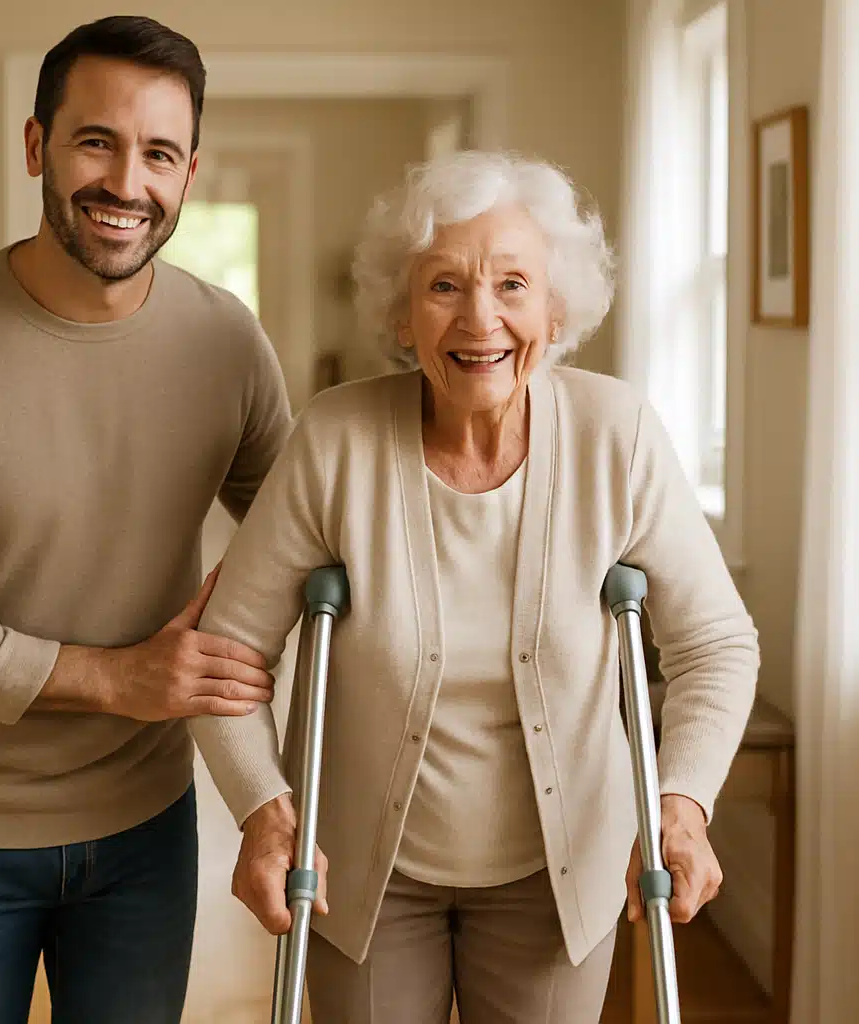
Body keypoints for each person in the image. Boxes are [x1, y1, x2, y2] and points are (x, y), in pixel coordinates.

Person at [188, 149, 760, 1023]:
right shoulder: (336, 441)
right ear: (403, 311)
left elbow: (715, 642)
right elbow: (226, 657)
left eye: (513, 285)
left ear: (555, 306)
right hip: (364, 878)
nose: (479, 318)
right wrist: (266, 814)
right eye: (445, 286)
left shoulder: (619, 437)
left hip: (560, 875)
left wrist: (681, 803)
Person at [0, 15, 294, 1024]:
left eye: (159, 153)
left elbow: (306, 543)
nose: (127, 181)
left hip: (146, 828)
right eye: (97, 141)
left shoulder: (227, 344)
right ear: (36, 144)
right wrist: (116, 678)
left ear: (189, 172)